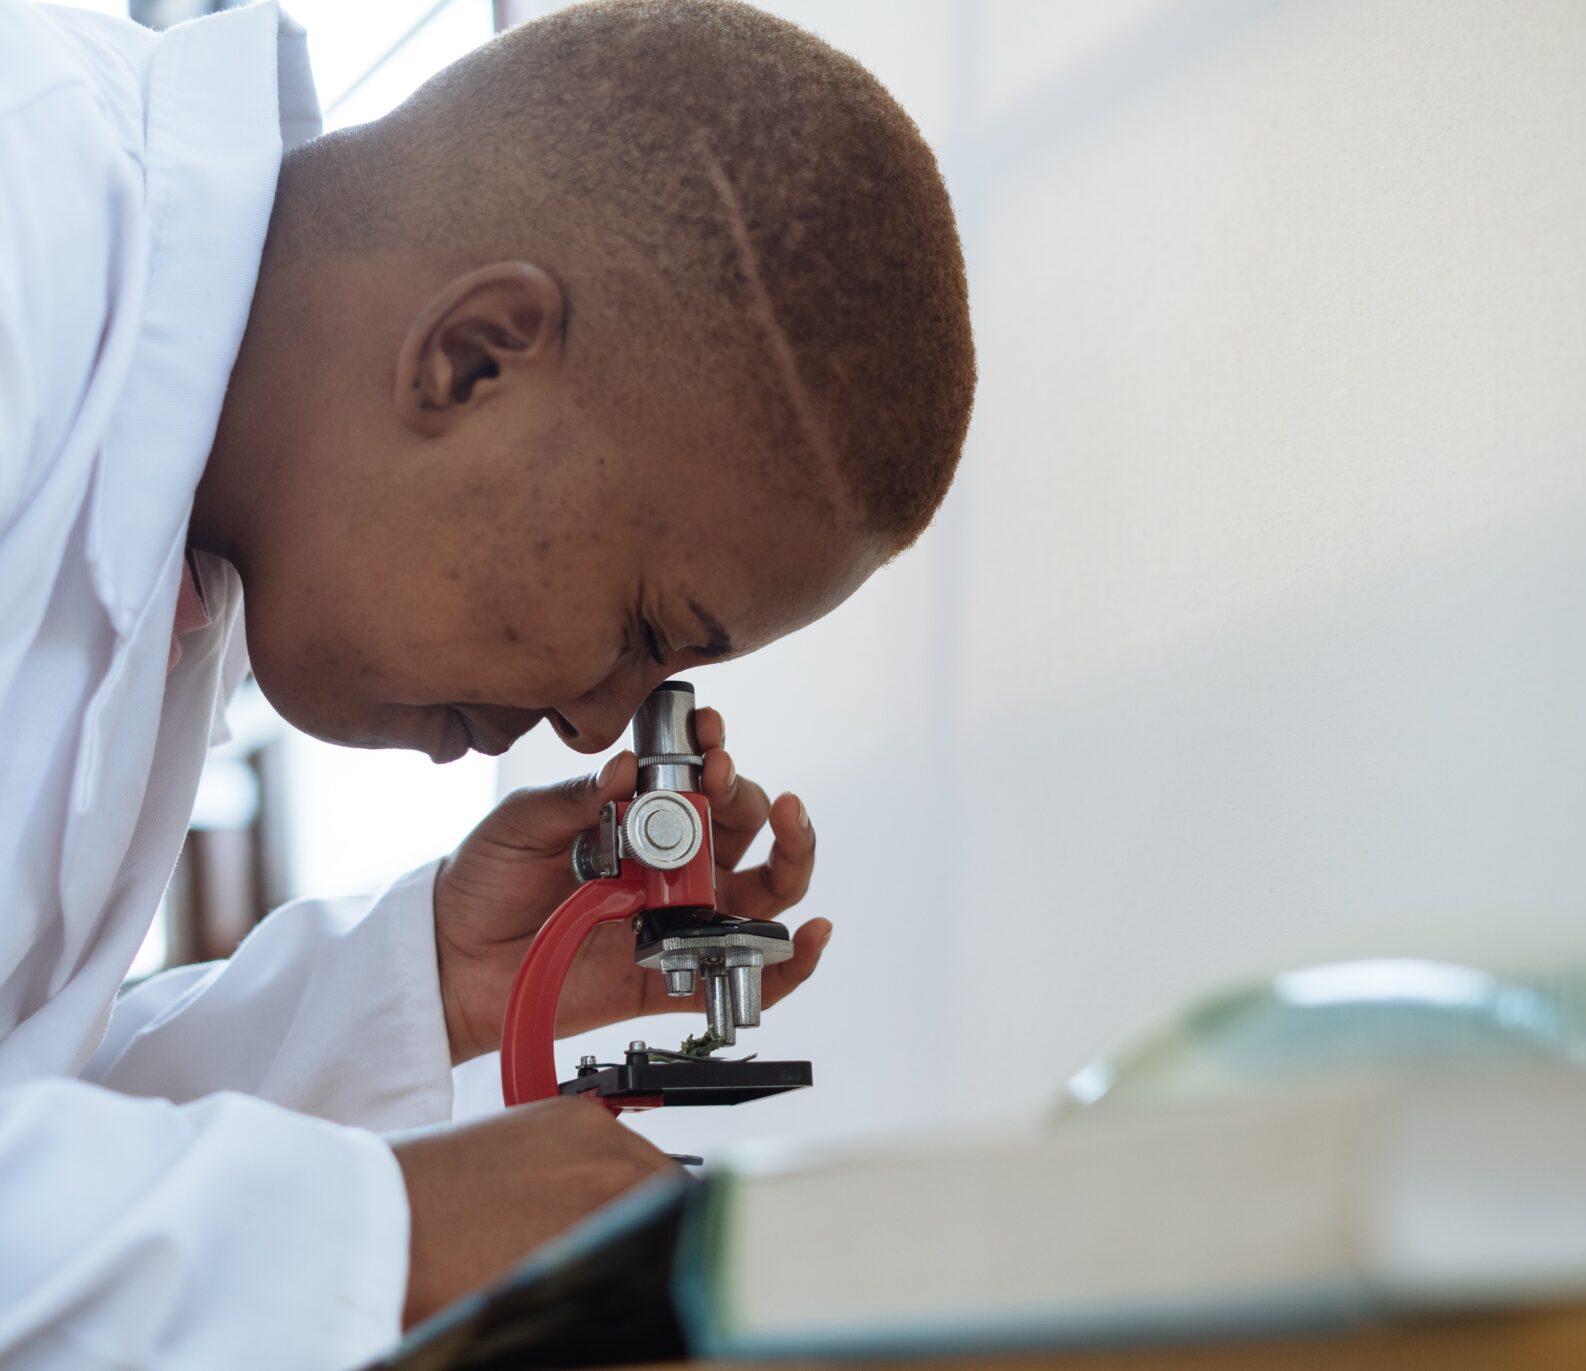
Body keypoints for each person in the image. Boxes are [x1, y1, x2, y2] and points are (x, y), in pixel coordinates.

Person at [0, 0, 974, 1363]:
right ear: (471, 358)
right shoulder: (23, 235)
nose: (591, 719)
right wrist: (372, 1226)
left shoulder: (192, 526)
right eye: (645, 622)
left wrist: (423, 982)